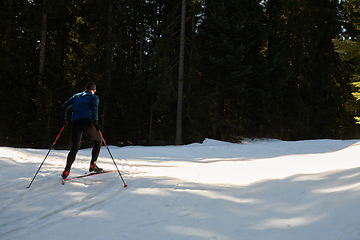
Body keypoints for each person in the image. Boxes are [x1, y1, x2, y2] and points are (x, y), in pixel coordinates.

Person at [60, 82, 104, 179]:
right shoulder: (94, 97)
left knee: (74, 148)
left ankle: (67, 170)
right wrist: (96, 121)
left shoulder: (76, 96)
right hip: (87, 122)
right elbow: (94, 109)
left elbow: (64, 106)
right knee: (98, 140)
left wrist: (63, 119)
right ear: (94, 90)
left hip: (75, 122)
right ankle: (93, 165)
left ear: (85, 89)